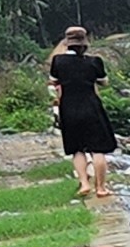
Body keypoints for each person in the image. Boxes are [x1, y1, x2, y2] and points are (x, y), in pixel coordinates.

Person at [47, 25, 117, 199]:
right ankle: (101, 188)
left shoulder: (58, 62)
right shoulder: (94, 62)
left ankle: (84, 183)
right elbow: (104, 81)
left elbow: (53, 82)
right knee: (97, 149)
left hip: (68, 109)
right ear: (85, 43)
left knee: (77, 149)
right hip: (91, 107)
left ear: (67, 43)